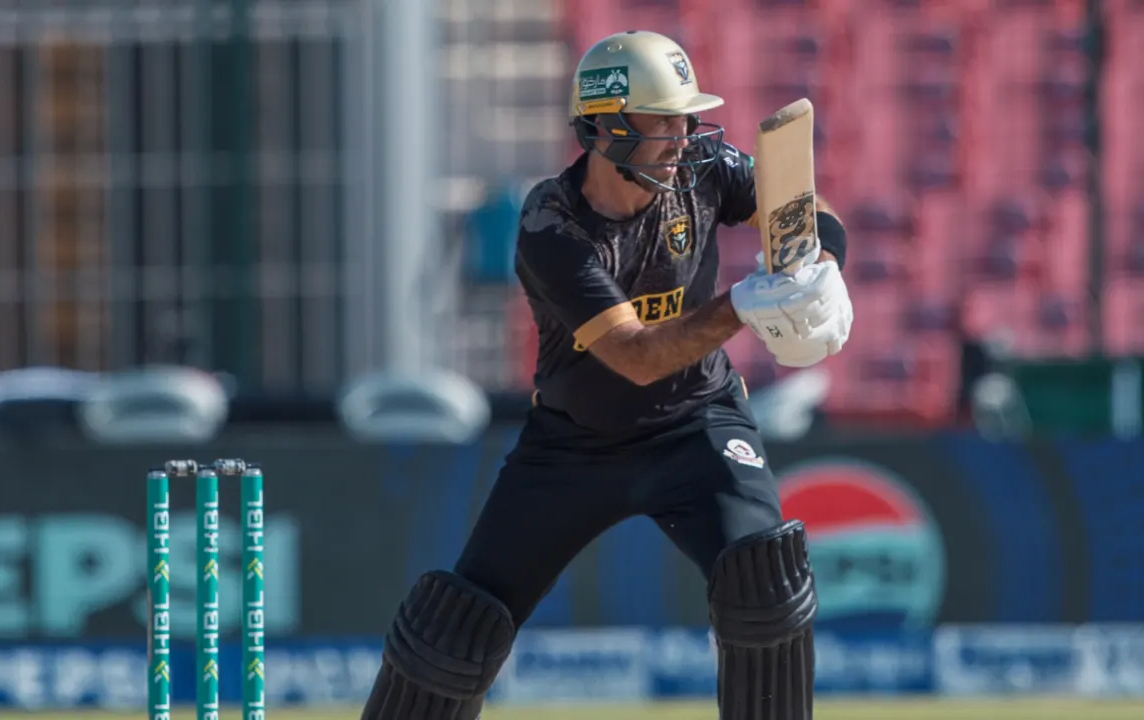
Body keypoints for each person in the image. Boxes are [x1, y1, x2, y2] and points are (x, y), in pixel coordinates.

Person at [361, 30, 853, 720]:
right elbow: (636, 356)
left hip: (699, 425)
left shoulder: (705, 167)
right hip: (574, 446)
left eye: (687, 119)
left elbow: (804, 207)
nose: (682, 137)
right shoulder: (551, 226)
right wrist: (743, 304)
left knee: (765, 585)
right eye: (663, 121)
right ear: (606, 127)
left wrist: (822, 263)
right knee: (454, 632)